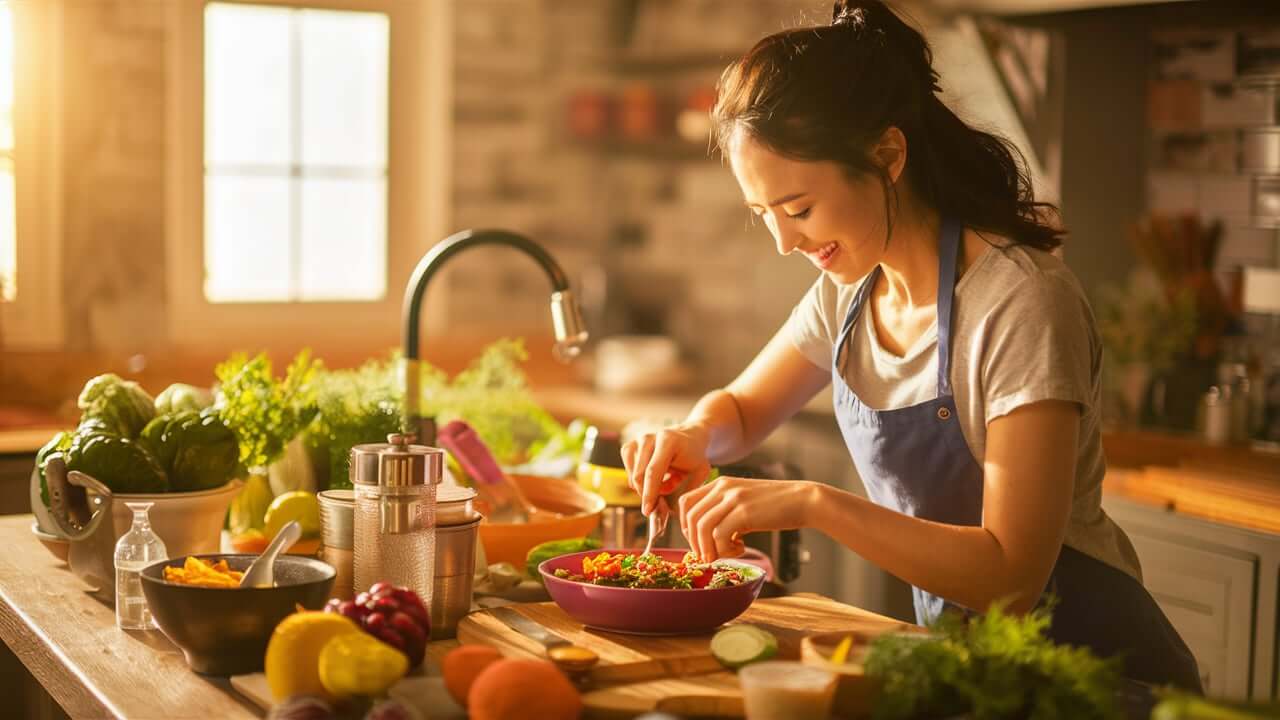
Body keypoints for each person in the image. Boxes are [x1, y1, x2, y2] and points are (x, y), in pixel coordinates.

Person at [621, 0, 1201, 691]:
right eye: (763, 215)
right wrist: (692, 435)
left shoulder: (1019, 303)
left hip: (1098, 682)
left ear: (888, 154)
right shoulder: (851, 287)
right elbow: (744, 412)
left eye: (799, 209)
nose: (785, 241)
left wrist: (814, 503)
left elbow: (1011, 576)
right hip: (971, 672)